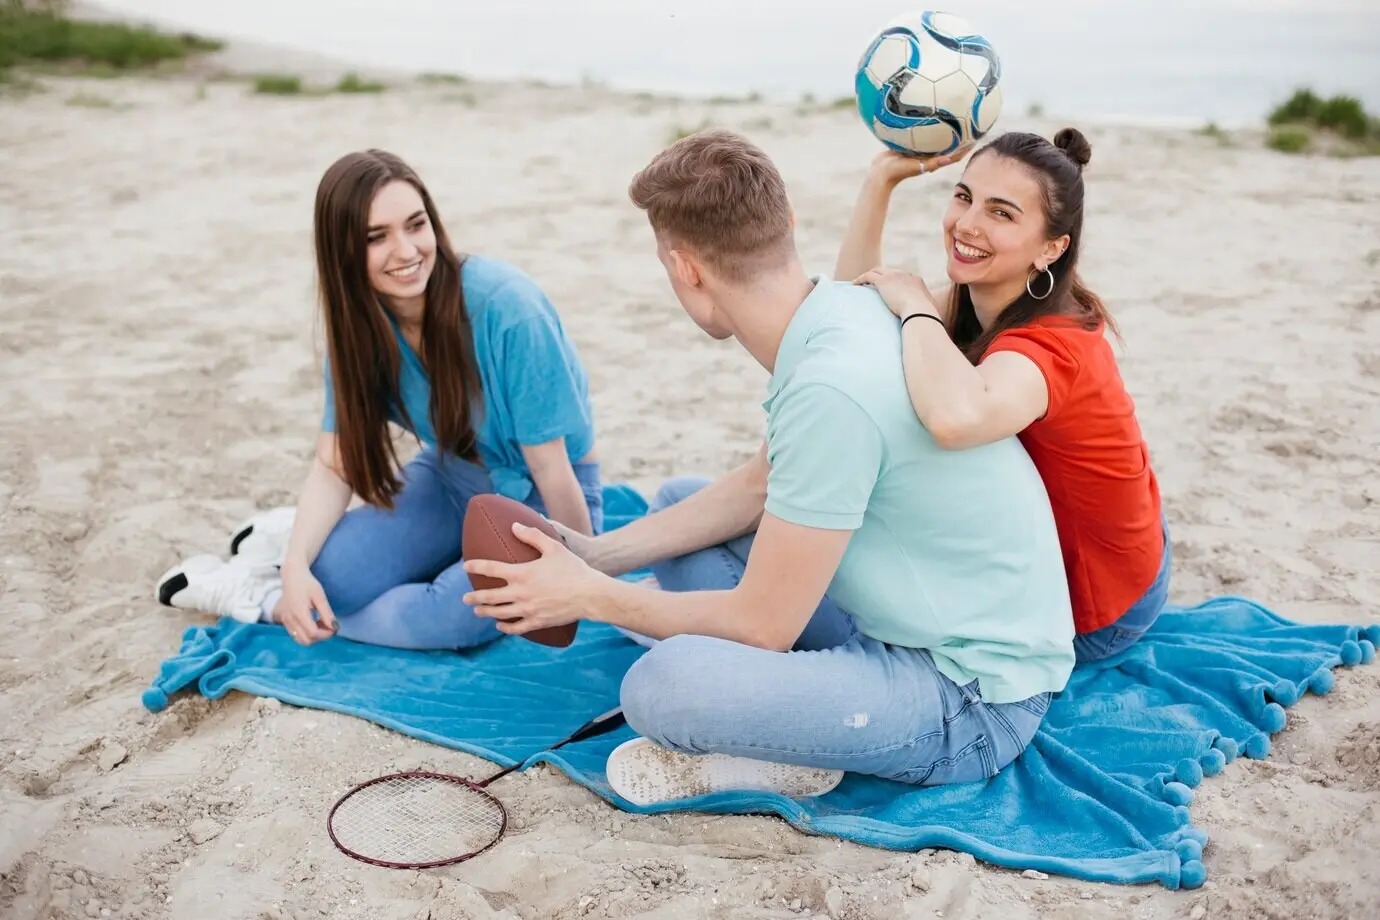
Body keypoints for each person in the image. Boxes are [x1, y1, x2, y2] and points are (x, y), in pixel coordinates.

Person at [457, 129, 1075, 806]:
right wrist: (594, 555)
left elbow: (763, 626)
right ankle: (792, 708)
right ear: (787, 224)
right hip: (901, 618)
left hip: (970, 698)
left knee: (661, 687)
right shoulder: (841, 310)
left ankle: (795, 743)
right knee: (683, 507)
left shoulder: (829, 389)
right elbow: (760, 483)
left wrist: (589, 596)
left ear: (686, 270)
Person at [156, 149, 600, 651]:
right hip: (454, 475)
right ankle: (285, 547)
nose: (406, 251)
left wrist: (583, 575)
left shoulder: (509, 309)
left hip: (543, 497)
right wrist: (298, 567)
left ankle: (266, 602)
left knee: (447, 620)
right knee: (330, 578)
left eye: (416, 224)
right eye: (376, 237)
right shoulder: (361, 328)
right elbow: (336, 464)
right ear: (343, 251)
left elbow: (551, 468)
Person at [838, 129, 1170, 664]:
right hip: (1123, 531)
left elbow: (954, 420)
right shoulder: (988, 295)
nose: (967, 224)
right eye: (964, 197)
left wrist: (916, 306)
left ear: (1052, 248)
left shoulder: (1050, 347)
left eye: (1001, 213)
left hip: (1102, 605)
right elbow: (851, 316)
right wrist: (880, 182)